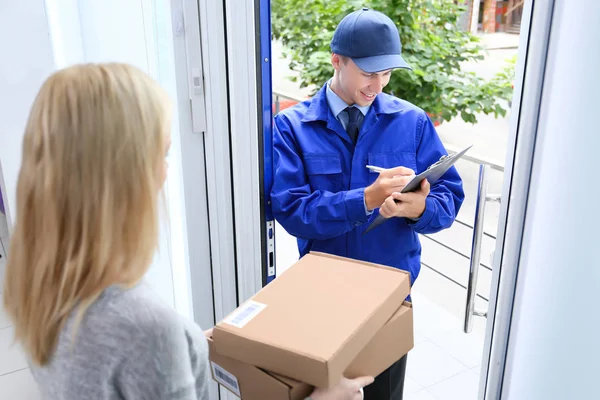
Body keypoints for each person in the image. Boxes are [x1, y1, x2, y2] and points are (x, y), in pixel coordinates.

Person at [2, 63, 373, 400]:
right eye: (161, 154)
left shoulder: (38, 284)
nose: (166, 172)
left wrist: (192, 340)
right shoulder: (144, 329)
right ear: (122, 175)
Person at [271, 8, 465, 400]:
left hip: (388, 298)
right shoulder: (292, 126)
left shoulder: (412, 121)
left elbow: (449, 197)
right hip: (323, 297)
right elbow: (293, 211)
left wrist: (418, 210)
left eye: (386, 73)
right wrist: (367, 198)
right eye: (368, 72)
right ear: (337, 61)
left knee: (385, 395)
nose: (377, 83)